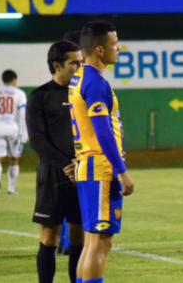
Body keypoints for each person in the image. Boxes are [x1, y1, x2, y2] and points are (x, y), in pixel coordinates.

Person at [69, 20, 135, 283]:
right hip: (100, 169)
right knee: (99, 244)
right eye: (114, 43)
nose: (119, 48)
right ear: (99, 49)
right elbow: (102, 131)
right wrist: (122, 172)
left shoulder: (80, 77)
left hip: (89, 166)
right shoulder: (95, 83)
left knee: (93, 243)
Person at [27, 40, 85, 283]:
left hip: (83, 174)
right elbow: (37, 140)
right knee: (50, 237)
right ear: (57, 65)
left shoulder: (84, 94)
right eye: (75, 63)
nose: (80, 67)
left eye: (82, 62)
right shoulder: (40, 96)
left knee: (79, 238)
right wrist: (65, 164)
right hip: (52, 177)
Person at [0, 69, 27, 195]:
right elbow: (23, 114)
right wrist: (24, 133)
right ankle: (11, 188)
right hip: (14, 129)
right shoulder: (19, 93)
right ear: (14, 80)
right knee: (14, 159)